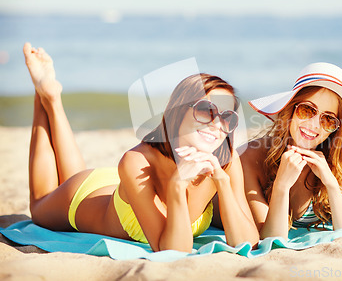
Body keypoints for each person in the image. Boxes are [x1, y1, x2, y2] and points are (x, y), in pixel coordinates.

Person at [23, 42, 259, 252]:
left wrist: (223, 183)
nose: (216, 124)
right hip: (82, 197)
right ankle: (46, 96)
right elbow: (172, 251)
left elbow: (248, 243)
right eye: (206, 111)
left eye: (227, 118)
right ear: (178, 111)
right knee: (39, 204)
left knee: (70, 175)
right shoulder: (137, 160)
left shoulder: (225, 162)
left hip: (123, 186)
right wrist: (177, 185)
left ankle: (50, 98)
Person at [239, 63, 342, 239]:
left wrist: (330, 183)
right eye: (307, 110)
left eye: (328, 119)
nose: (314, 125)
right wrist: (281, 185)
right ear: (291, 109)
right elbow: (270, 237)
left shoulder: (340, 157)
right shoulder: (251, 156)